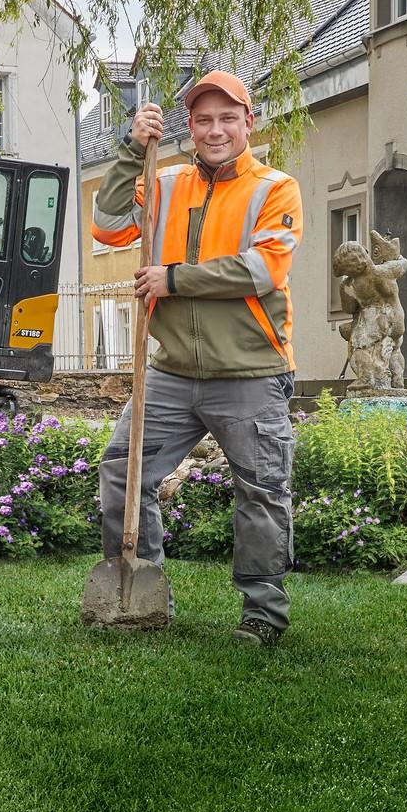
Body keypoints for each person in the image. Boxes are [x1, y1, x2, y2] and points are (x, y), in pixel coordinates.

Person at [92, 71, 303, 646]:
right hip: (172, 372)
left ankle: (263, 613)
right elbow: (108, 224)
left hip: (251, 373)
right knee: (122, 469)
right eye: (204, 120)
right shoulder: (164, 183)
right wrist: (131, 149)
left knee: (261, 491)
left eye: (227, 119)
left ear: (248, 123)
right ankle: (144, 592)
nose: (215, 131)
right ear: (190, 127)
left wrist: (174, 279)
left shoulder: (274, 189)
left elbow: (262, 271)